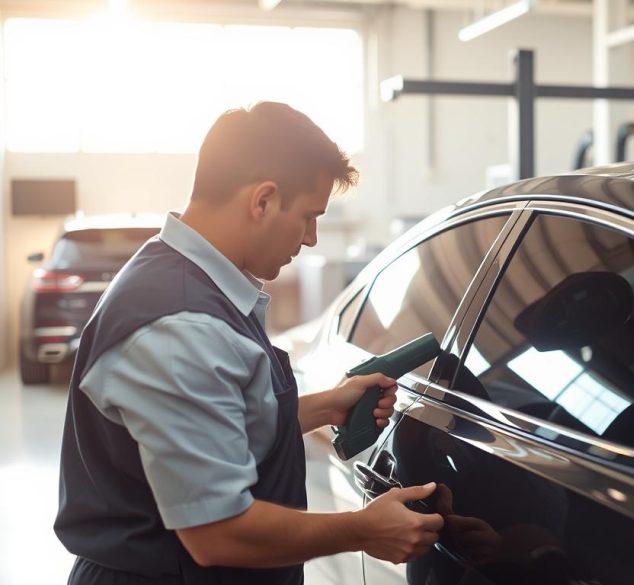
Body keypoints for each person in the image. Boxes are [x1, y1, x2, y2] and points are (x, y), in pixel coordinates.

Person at [54, 102, 444, 585]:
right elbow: (217, 531)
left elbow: (216, 420)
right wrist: (364, 529)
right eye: (308, 216)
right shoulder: (181, 327)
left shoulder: (187, 284)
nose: (312, 238)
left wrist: (325, 406)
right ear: (262, 200)